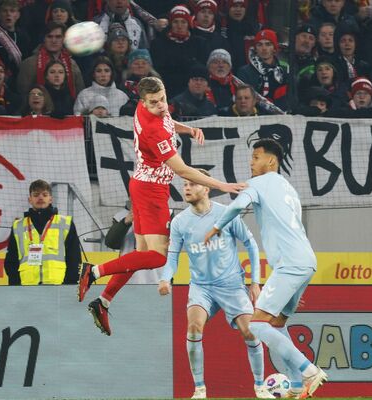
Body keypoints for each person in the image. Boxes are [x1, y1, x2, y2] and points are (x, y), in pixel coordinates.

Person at [77, 77, 244, 336]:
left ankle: (104, 300)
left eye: (163, 99)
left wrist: (187, 130)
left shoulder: (149, 108)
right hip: (152, 192)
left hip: (141, 185)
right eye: (154, 103)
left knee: (140, 254)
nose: (161, 105)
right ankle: (94, 271)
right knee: (158, 257)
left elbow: (167, 121)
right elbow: (182, 170)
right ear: (143, 102)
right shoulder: (152, 129)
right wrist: (222, 185)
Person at [204, 139, 328, 399]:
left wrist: (216, 227)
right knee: (278, 322)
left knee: (258, 325)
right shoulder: (289, 189)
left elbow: (237, 206)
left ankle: (308, 370)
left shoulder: (257, 184)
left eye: (257, 157)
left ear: (271, 161)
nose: (252, 162)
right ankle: (295, 387)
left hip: (290, 264)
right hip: (305, 260)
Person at [158, 169, 271, 399]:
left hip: (232, 285)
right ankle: (199, 389)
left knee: (250, 331)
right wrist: (165, 278)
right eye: (185, 184)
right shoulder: (180, 222)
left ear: (206, 188)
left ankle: (260, 387)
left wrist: (255, 282)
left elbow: (251, 244)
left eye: (192, 184)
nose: (186, 188)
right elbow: (172, 257)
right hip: (202, 288)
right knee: (193, 327)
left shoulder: (227, 214)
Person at [3, 179, 82, 285]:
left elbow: (74, 259)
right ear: (30, 199)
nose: (40, 198)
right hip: (26, 288)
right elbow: (11, 262)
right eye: (36, 195)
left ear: (50, 199)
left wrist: (67, 287)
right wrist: (17, 288)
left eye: (44, 195)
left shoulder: (65, 223)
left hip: (58, 287)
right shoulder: (18, 226)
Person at [236, 29, 291, 110]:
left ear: (275, 48)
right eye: (259, 44)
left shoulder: (284, 72)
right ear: (255, 48)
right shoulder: (244, 72)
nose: (264, 48)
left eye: (268, 44)